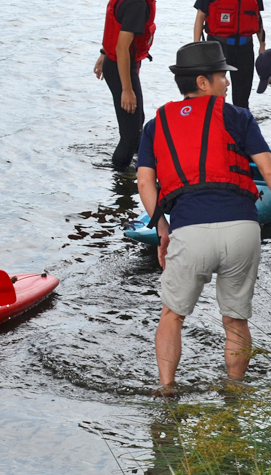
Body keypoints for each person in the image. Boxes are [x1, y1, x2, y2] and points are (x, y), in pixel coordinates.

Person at [136, 41, 271, 393]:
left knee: (172, 316)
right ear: (202, 82)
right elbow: (268, 170)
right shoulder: (238, 117)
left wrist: (162, 228)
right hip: (242, 229)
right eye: (222, 76)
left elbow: (145, 181)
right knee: (236, 319)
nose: (228, 82)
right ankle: (235, 393)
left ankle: (167, 390)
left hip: (189, 230)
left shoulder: (155, 126)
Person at [94, 0, 156, 171]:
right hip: (120, 67)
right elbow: (122, 48)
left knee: (136, 122)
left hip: (115, 62)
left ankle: (142, 161)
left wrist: (103, 53)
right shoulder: (137, 4)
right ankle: (120, 175)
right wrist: (127, 90)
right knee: (131, 135)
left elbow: (116, 25)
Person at [194, 0, 266, 108]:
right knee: (213, 95)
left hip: (244, 48)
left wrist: (262, 45)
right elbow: (200, 16)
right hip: (217, 46)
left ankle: (240, 121)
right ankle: (213, 120)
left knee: (242, 98)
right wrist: (196, 46)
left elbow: (257, 17)